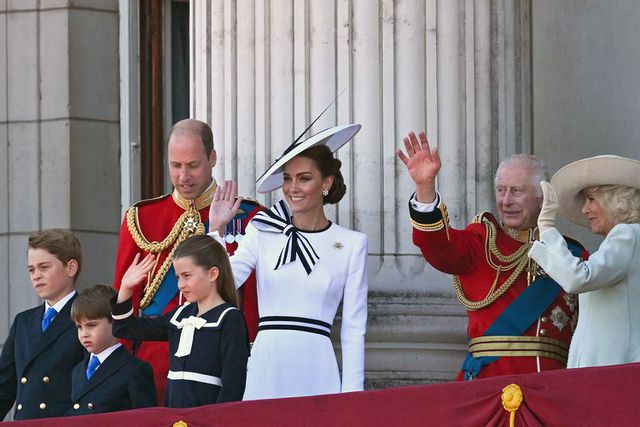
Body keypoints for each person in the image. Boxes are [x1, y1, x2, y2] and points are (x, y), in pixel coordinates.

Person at [396, 131, 587, 380]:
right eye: (501, 190)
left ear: (543, 198)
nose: (506, 200)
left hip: (553, 388)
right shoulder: (483, 240)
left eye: (517, 191)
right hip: (488, 385)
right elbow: (439, 247)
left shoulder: (573, 255)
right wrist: (425, 188)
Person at [209, 124, 368, 400]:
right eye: (287, 178)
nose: (292, 188)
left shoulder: (352, 244)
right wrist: (216, 230)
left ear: (326, 183)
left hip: (318, 368)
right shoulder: (262, 230)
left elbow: (354, 328)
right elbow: (220, 285)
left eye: (304, 178)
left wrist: (352, 397)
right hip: (267, 365)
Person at [112, 118, 261, 402]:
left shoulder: (248, 217)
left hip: (217, 364)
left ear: (212, 158)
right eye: (175, 166)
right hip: (151, 363)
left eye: (193, 165)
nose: (183, 177)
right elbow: (125, 296)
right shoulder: (142, 218)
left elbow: (252, 303)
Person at [112, 235, 249, 407]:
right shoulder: (180, 315)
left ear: (212, 274)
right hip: (175, 417)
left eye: (186, 275)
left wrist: (216, 419)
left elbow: (233, 385)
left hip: (208, 417)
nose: (180, 285)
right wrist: (126, 288)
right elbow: (125, 329)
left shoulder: (229, 319)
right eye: (178, 277)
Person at [529, 155, 640, 368]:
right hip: (609, 367)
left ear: (615, 199)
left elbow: (578, 278)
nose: (584, 209)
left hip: (615, 368)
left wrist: (548, 229)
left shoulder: (627, 235)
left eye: (591, 199)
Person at [0, 229, 86, 420]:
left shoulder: (87, 318)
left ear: (71, 268)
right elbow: (4, 385)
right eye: (31, 269)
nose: (36, 275)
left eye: (44, 267)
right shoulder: (23, 322)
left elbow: (93, 388)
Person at [66, 284, 156, 416]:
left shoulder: (135, 369)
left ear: (115, 323)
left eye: (91, 325)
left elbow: (146, 419)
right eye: (79, 327)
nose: (84, 334)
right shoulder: (78, 370)